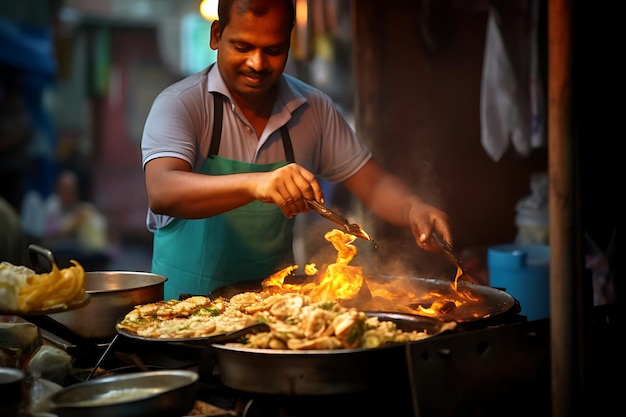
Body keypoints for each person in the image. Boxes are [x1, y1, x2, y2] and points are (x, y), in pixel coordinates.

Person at [141, 0, 453, 300]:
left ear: (289, 43)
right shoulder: (181, 104)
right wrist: (256, 183)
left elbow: (373, 184)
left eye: (273, 50)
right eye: (243, 47)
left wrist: (413, 207)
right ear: (216, 36)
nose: (258, 63)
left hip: (274, 314)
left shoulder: (313, 109)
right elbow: (163, 190)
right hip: (183, 315)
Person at [41, 170, 110, 270]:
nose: (70, 194)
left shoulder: (79, 206)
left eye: (72, 190)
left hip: (79, 248)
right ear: (59, 190)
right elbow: (49, 232)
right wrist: (73, 222)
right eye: (66, 190)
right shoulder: (52, 206)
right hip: (58, 249)